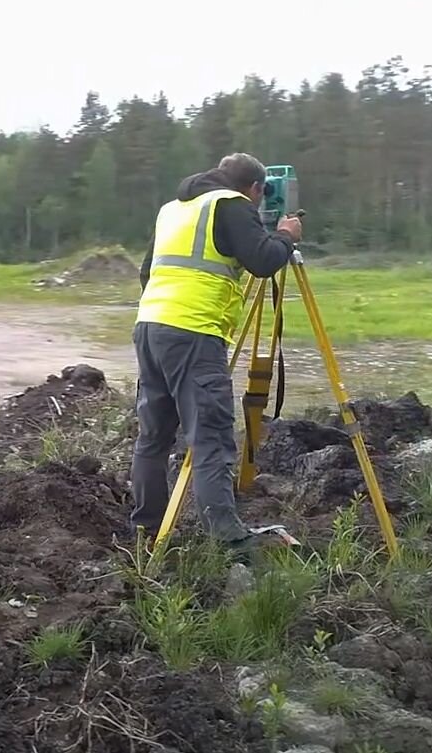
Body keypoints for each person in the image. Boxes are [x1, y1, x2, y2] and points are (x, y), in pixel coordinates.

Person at [130, 152, 303, 549]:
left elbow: (147, 272)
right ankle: (228, 541)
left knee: (153, 439)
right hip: (195, 334)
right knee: (210, 439)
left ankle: (145, 531)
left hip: (152, 326)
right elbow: (262, 260)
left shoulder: (174, 209)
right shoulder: (232, 204)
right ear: (256, 188)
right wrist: (286, 236)